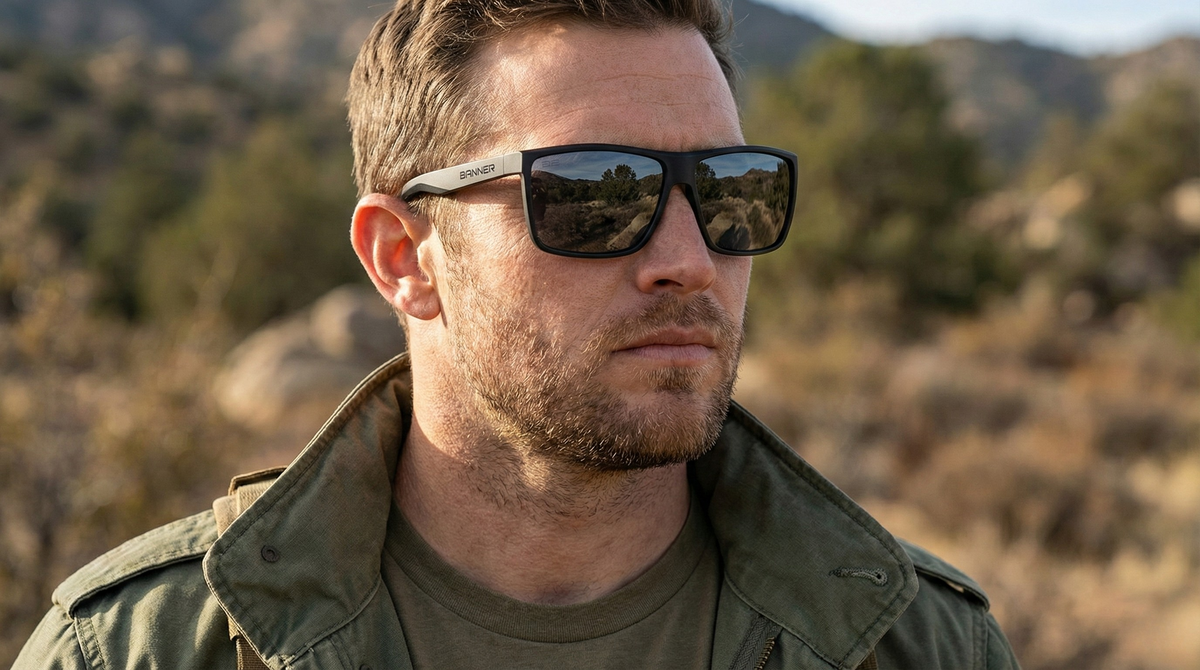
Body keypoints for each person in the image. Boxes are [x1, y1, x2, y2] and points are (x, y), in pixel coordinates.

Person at [16, 0, 1022, 667]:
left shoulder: (921, 645)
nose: (688, 258)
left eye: (729, 191)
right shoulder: (142, 651)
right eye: (594, 196)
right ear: (405, 258)